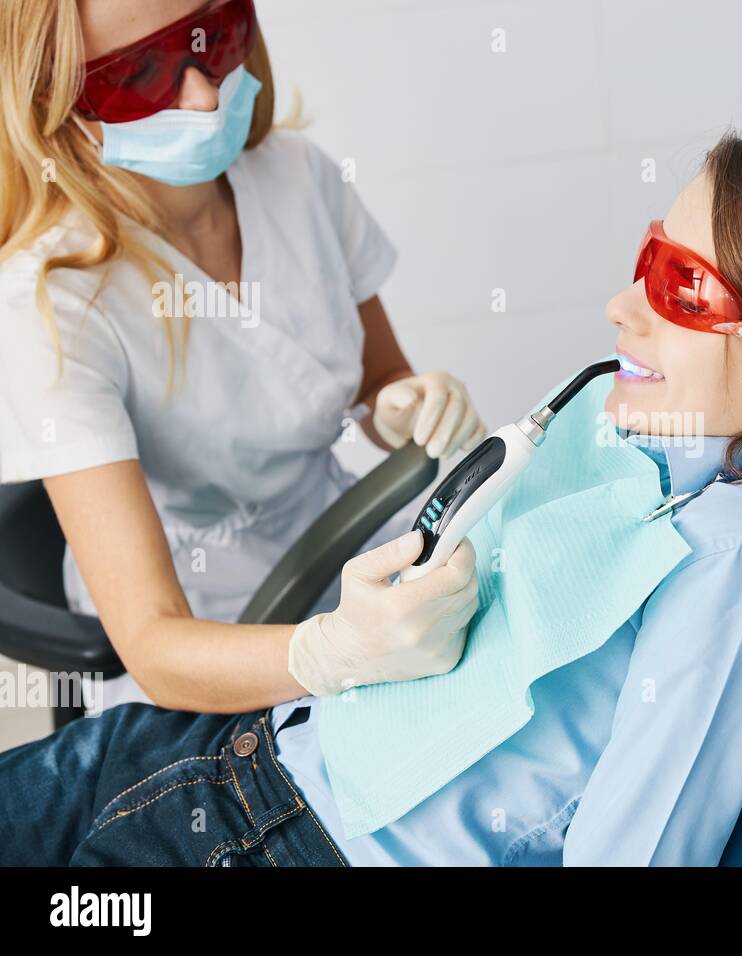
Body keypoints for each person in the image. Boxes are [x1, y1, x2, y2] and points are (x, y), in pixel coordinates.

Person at [0, 131, 742, 866]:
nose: (621, 306)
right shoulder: (631, 439)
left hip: (286, 839)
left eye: (684, 291)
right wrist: (343, 646)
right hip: (238, 749)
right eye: (649, 260)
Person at [0, 0, 484, 713]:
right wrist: (331, 652)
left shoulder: (299, 178)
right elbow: (156, 642)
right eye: (138, 72)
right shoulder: (50, 303)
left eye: (214, 37)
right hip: (208, 651)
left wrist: (402, 406)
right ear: (53, 90)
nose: (201, 95)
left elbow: (380, 383)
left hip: (344, 551)